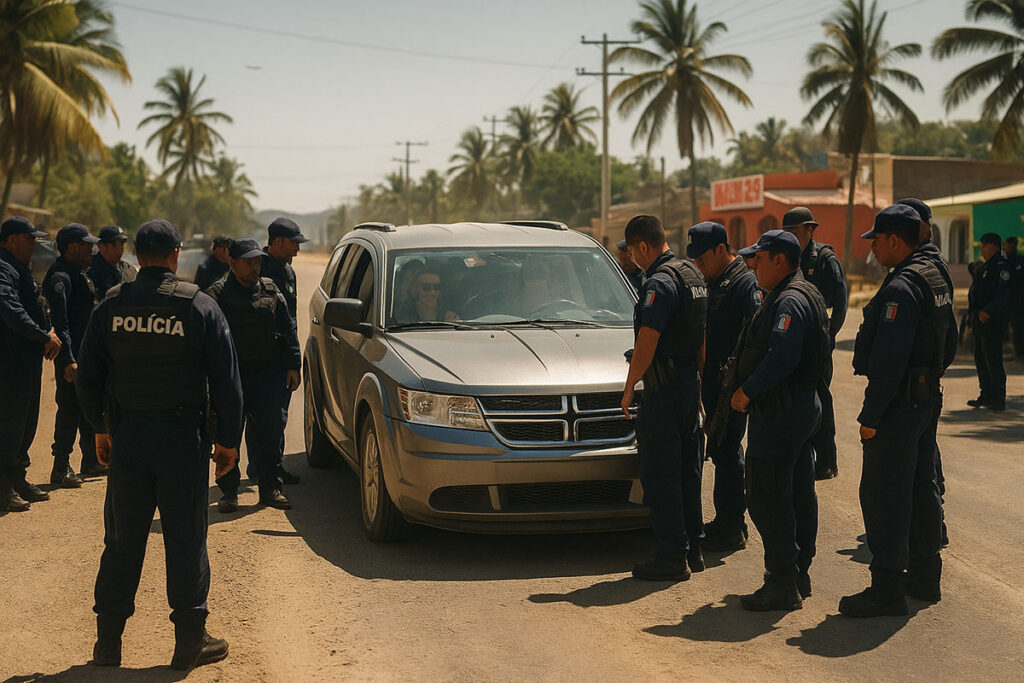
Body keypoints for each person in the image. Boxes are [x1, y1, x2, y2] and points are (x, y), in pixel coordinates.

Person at [75, 219, 244, 670]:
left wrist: (100, 429)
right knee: (186, 539)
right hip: (181, 440)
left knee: (122, 539)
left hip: (129, 437)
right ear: (174, 255)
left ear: (136, 254)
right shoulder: (200, 306)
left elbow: (87, 378)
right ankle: (189, 642)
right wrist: (228, 444)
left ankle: (107, 645)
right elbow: (228, 384)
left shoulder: (110, 306)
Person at [840, 204, 954, 617]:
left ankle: (886, 588)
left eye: (876, 241)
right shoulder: (933, 273)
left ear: (894, 240)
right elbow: (951, 341)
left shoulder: (902, 287)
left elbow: (888, 364)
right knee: (921, 488)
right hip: (925, 398)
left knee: (885, 494)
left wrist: (870, 417)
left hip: (900, 406)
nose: (872, 249)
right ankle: (925, 576)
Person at [731, 230, 828, 611]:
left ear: (780, 261)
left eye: (760, 257)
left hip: (782, 411)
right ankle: (797, 573)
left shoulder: (789, 300)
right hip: (801, 407)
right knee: (799, 492)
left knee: (767, 495)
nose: (753, 264)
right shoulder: (805, 291)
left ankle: (783, 581)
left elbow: (782, 357)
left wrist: (747, 391)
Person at [619, 215, 707, 581]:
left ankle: (672, 556)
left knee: (662, 474)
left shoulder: (659, 282)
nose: (634, 260)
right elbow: (702, 336)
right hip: (687, 385)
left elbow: (648, 340)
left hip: (664, 390)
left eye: (634, 252)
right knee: (689, 470)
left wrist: (629, 388)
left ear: (643, 246)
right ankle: (694, 548)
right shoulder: (692, 275)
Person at [207, 238, 301, 512]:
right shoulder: (217, 295)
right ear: (232, 263)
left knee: (271, 434)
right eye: (248, 262)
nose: (254, 266)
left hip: (268, 376)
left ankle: (271, 487)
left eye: (257, 261)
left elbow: (288, 330)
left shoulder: (271, 291)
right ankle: (228, 492)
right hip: (231, 378)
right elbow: (206, 339)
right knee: (229, 435)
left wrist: (293, 365)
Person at [687, 221, 761, 552]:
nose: (699, 267)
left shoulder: (744, 283)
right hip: (714, 385)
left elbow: (757, 336)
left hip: (732, 386)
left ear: (721, 250)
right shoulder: (716, 282)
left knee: (729, 453)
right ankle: (726, 520)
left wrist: (744, 384)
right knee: (720, 451)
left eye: (702, 259)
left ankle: (733, 526)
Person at [897, 198, 956, 547]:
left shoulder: (926, 266)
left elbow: (945, 333)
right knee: (927, 464)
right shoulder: (932, 263)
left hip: (918, 388)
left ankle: (933, 533)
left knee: (925, 470)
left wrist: (930, 371)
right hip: (926, 382)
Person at [0, 217, 62, 512]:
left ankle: (17, 478)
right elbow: (10, 309)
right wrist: (43, 335)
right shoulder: (2, 268)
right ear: (11, 240)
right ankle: (2, 488)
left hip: (26, 360)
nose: (34, 245)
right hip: (9, 362)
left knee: (26, 422)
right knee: (9, 424)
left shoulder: (18, 267)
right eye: (29, 239)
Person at [781, 207, 846, 480]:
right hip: (794, 341)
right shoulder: (785, 257)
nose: (793, 239)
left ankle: (827, 460)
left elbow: (841, 300)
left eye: (797, 233)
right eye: (789, 234)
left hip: (817, 341)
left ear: (810, 230)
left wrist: (830, 335)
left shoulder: (824, 259)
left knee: (820, 399)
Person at [44, 223, 102, 487]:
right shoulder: (60, 277)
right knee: (69, 408)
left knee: (87, 407)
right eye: (86, 244)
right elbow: (61, 322)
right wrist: (68, 359)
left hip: (86, 354)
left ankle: (90, 460)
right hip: (73, 355)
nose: (92, 248)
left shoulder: (80, 273)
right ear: (71, 247)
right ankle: (60, 466)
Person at [261, 217, 308, 484]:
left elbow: (290, 320)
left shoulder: (288, 272)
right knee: (263, 420)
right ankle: (263, 469)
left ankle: (272, 467)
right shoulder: (257, 269)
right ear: (276, 242)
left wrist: (293, 361)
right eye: (293, 244)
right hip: (261, 357)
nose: (297, 250)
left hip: (281, 357)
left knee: (278, 418)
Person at [967, 232, 1011, 411]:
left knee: (992, 358)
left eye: (983, 246)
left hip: (992, 320)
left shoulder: (1002, 267)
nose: (981, 250)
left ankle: (998, 396)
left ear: (991, 246)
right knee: (981, 357)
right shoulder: (986, 266)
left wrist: (989, 310)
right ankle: (986, 393)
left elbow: (1004, 294)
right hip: (979, 319)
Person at [88, 225, 137, 298]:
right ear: (101, 245)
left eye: (122, 244)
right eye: (114, 245)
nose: (120, 250)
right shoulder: (91, 272)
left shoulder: (129, 270)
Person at [1004, 236, 1023, 356]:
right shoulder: (1005, 261)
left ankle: (1019, 351)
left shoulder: (1018, 260)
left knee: (1018, 325)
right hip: (1008, 297)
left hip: (1017, 298)